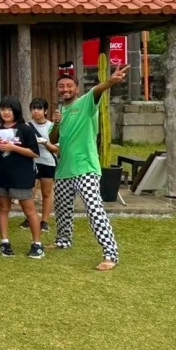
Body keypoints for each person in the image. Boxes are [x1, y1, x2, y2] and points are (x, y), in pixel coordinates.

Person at [50, 65, 128, 270]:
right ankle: (63, 240)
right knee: (62, 211)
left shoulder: (86, 102)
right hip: (64, 170)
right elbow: (53, 139)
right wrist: (56, 123)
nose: (65, 89)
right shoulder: (60, 111)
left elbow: (98, 90)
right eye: (61, 87)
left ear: (76, 89)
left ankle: (111, 254)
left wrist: (111, 81)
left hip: (86, 168)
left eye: (69, 86)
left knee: (94, 210)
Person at [0, 96, 43, 259]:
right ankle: (4, 242)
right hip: (1, 174)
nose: (5, 112)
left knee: (29, 210)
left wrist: (13, 147)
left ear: (16, 111)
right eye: (3, 109)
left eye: (9, 109)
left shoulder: (25, 129)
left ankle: (37, 244)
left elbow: (35, 153)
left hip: (21, 176)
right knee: (3, 209)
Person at [27, 98, 59, 233]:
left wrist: (45, 143)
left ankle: (44, 220)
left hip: (48, 162)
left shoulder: (52, 127)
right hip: (32, 162)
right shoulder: (27, 127)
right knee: (29, 192)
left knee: (47, 193)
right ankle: (30, 217)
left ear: (45, 111)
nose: (36, 111)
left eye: (39, 108)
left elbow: (57, 148)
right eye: (33, 108)